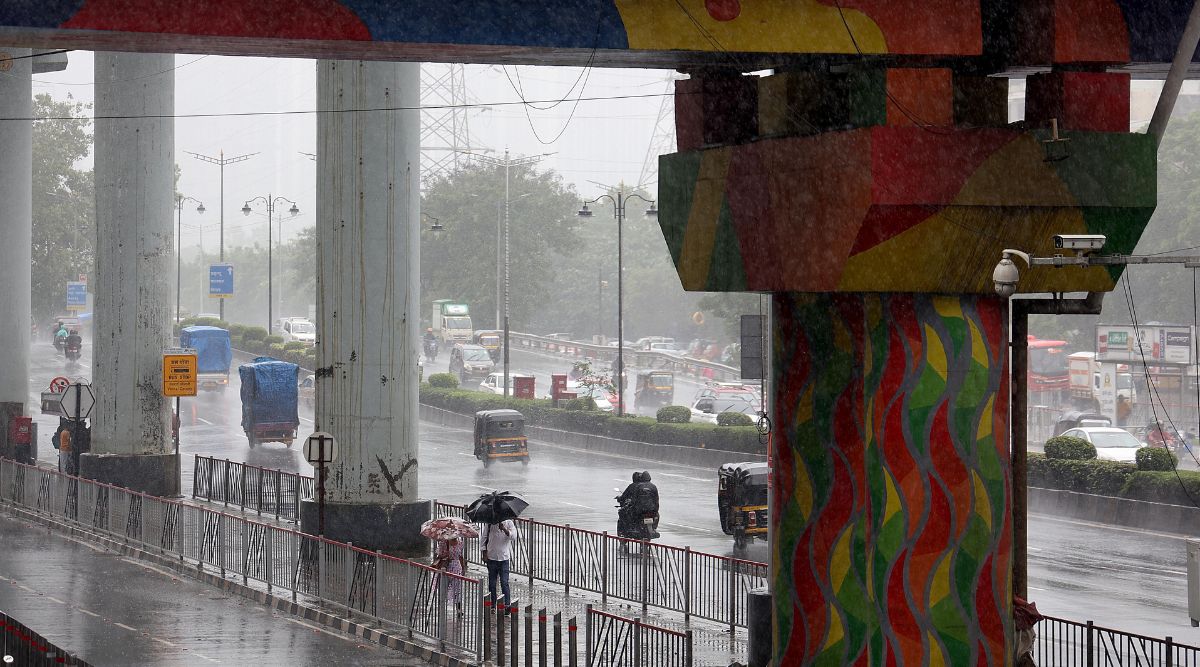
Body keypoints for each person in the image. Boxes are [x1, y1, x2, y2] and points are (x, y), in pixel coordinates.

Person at [481, 519, 515, 606]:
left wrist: (504, 529)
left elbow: (513, 537)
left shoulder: (509, 523)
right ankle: (493, 604)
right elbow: (484, 538)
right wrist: (484, 553)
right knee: (492, 583)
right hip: (492, 558)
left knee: (504, 582)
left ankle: (507, 604)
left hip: (504, 558)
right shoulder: (489, 524)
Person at [433, 536, 467, 614]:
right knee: (443, 588)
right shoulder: (443, 542)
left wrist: (463, 568)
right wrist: (445, 555)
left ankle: (458, 609)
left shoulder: (460, 542)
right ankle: (441, 608)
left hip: (457, 568)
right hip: (446, 568)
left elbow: (460, 556)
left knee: (457, 590)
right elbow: (439, 556)